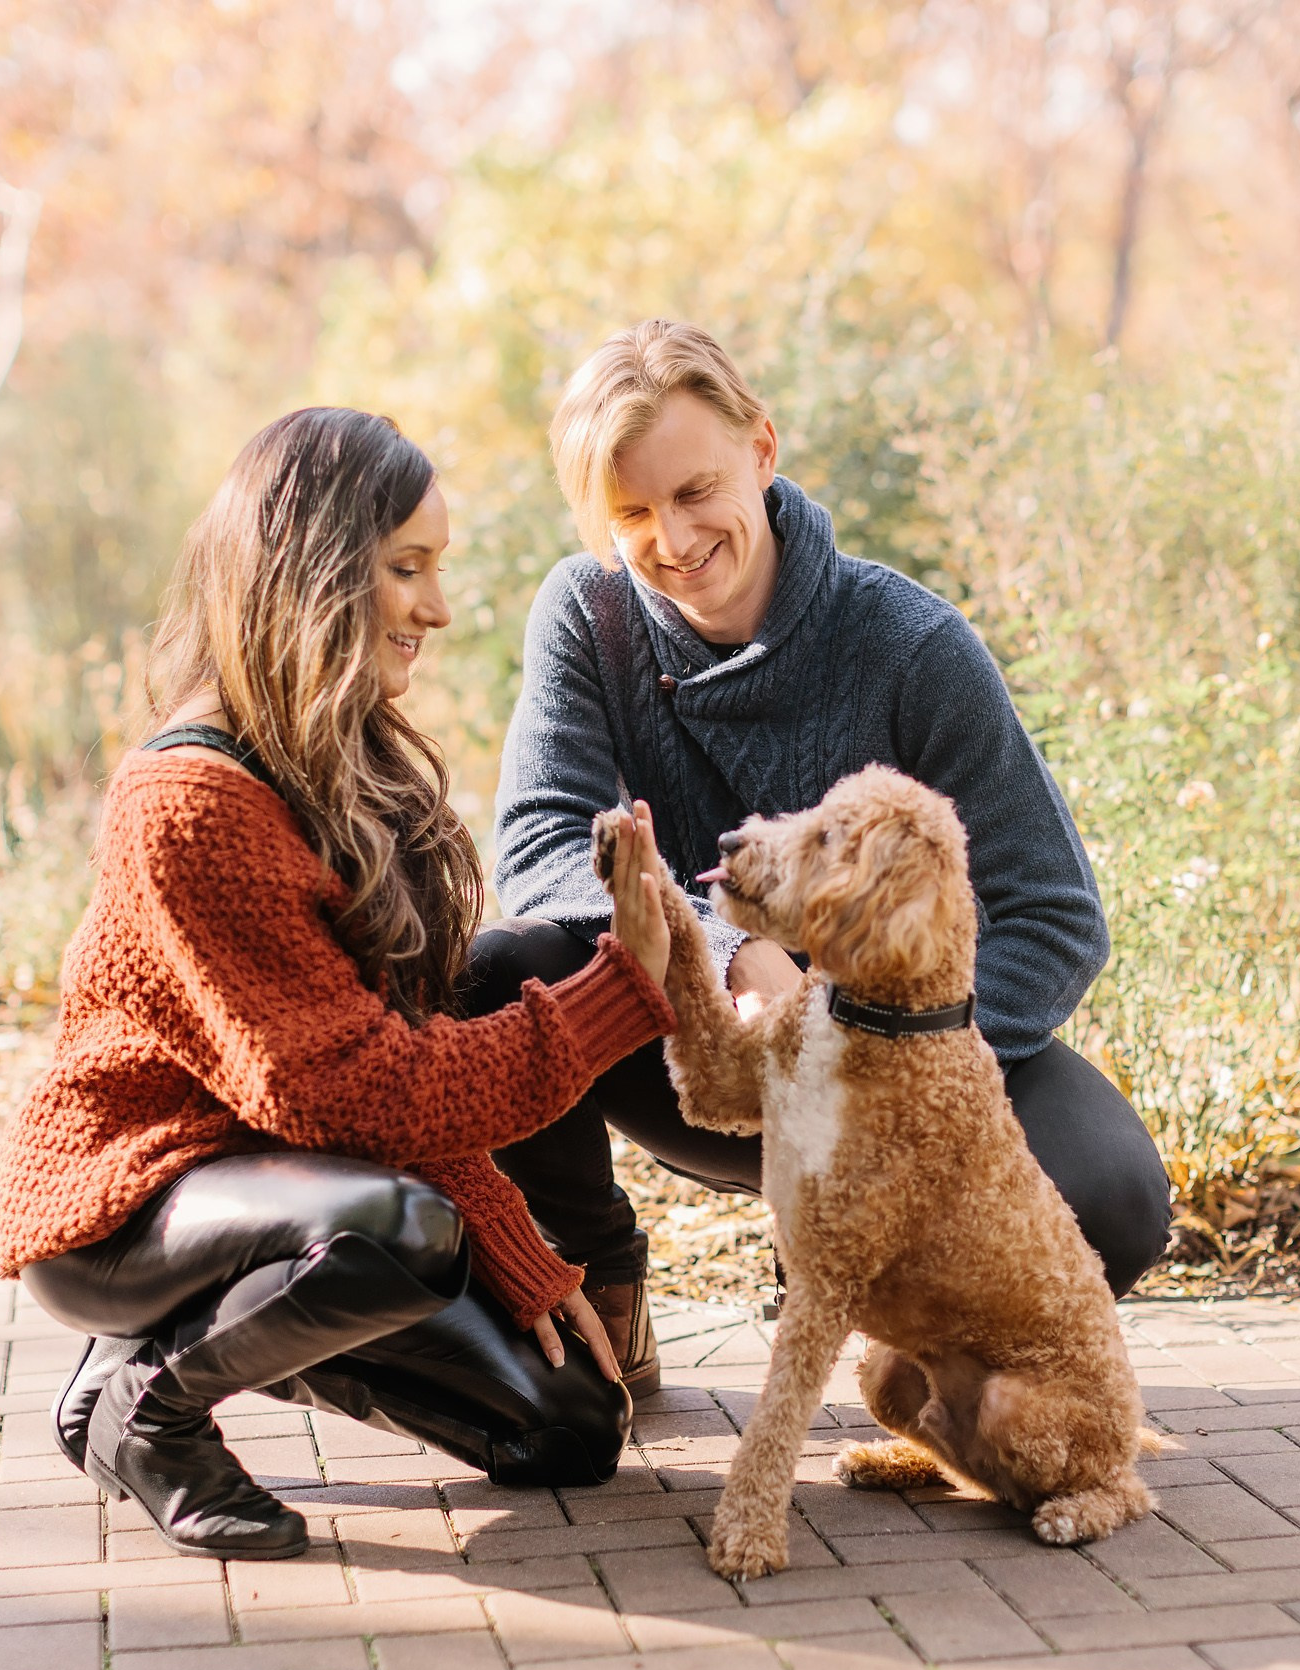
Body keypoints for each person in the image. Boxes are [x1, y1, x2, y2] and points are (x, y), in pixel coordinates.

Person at [0, 407, 680, 1562]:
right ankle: (146, 1408)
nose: (437, 607)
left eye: (435, 570)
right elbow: (355, 1095)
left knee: (571, 1430)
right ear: (311, 568)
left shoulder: (342, 763)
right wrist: (615, 994)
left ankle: (162, 1356)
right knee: (399, 1233)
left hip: (295, 1194)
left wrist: (508, 1240)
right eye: (406, 569)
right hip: (132, 1205)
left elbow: (385, 1048)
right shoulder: (189, 803)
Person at [485, 320, 1173, 1396]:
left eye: (694, 490)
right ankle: (603, 1275)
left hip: (909, 1068)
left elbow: (1052, 911)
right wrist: (721, 951)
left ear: (763, 448)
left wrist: (871, 1041)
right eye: (631, 513)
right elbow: (536, 847)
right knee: (499, 967)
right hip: (708, 1061)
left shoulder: (908, 643)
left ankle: (886, 1295)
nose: (671, 537)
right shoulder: (589, 615)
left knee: (1115, 1199)